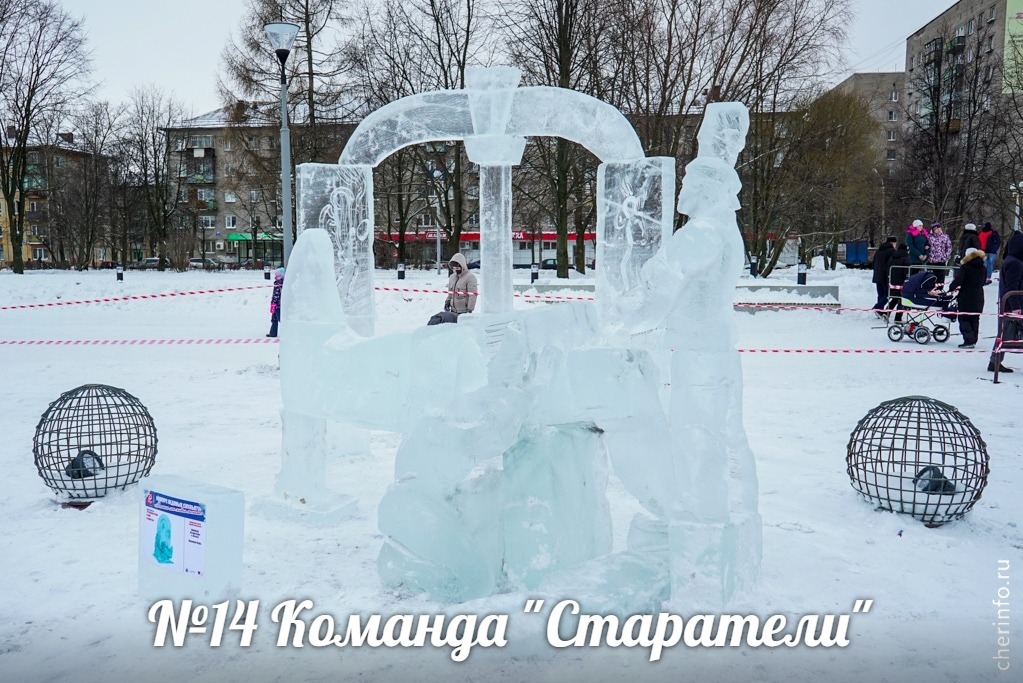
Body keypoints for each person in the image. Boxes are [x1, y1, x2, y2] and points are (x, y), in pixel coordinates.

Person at [989, 230, 1023, 372]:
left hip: (1012, 304)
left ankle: (994, 362)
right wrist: (1016, 307)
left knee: (1005, 334)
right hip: (1013, 306)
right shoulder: (1015, 263)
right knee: (1005, 335)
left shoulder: (1012, 261)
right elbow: (1012, 287)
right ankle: (994, 362)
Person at [947, 248, 986, 348]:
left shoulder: (965, 267)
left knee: (964, 318)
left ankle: (969, 340)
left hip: (966, 295)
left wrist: (951, 288)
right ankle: (973, 339)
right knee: (975, 318)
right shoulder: (983, 268)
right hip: (979, 296)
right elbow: (983, 282)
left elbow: (958, 280)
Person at [428, 253, 477, 325]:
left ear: (462, 266)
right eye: (454, 268)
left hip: (464, 312)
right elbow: (450, 293)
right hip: (453, 311)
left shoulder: (470, 278)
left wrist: (469, 310)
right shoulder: (452, 277)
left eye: (458, 268)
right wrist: (447, 302)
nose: (456, 270)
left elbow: (472, 295)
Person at [872, 236, 898, 314]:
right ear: (893, 243)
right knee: (887, 294)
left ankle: (879, 311)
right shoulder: (891, 252)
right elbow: (891, 264)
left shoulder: (879, 251)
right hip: (885, 276)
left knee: (880, 294)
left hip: (877, 275)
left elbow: (874, 263)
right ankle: (877, 307)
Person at [887, 243, 911, 322]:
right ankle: (898, 318)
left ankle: (886, 313)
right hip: (902, 282)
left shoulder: (892, 257)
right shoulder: (906, 258)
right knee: (902, 300)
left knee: (894, 298)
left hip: (893, 281)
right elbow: (907, 271)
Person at [267, 267, 284, 337]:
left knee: (280, 319)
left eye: (277, 276)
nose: (276, 278)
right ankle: (273, 333)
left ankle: (287, 331)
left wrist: (273, 303)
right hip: (276, 305)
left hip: (278, 305)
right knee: (274, 319)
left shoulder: (279, 284)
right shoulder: (279, 283)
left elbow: (276, 295)